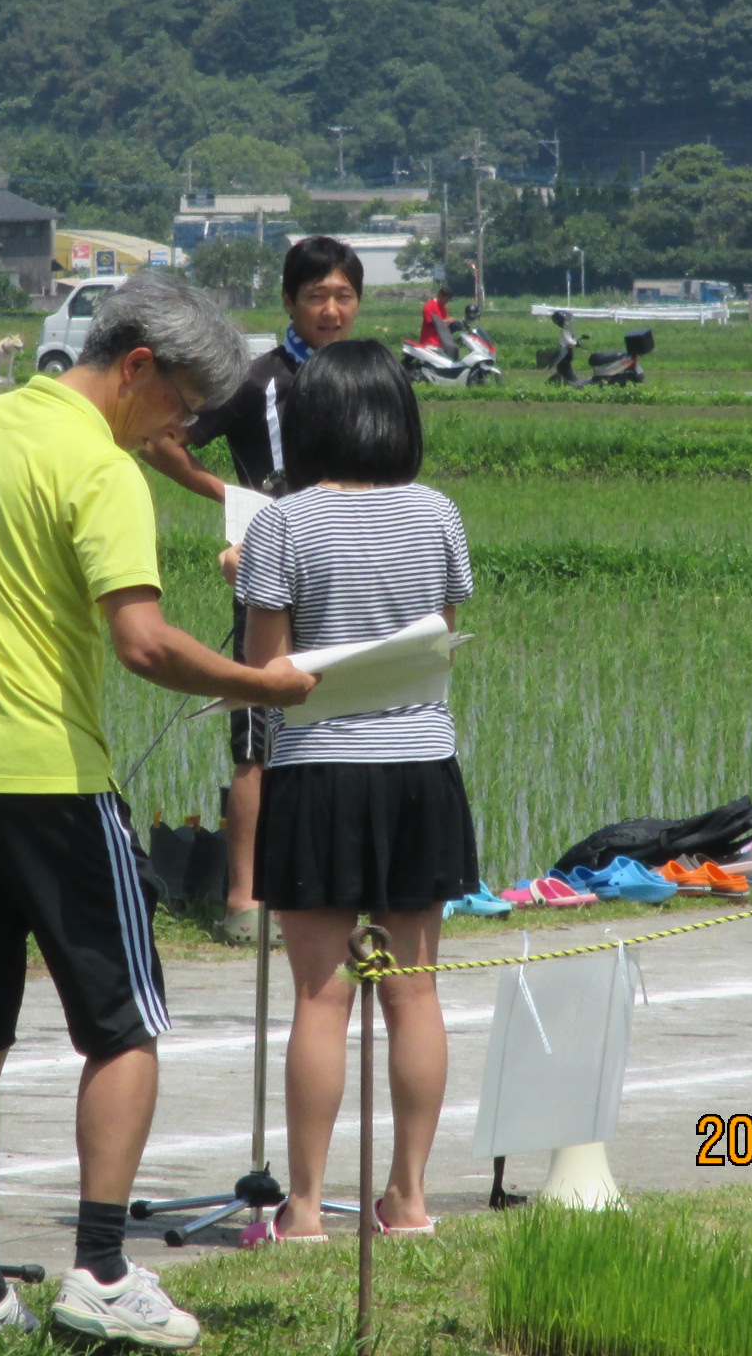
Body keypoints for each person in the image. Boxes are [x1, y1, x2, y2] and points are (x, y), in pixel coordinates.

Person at [0, 271, 316, 1347]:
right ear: (134, 368)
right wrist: (261, 684)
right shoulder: (100, 468)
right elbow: (141, 642)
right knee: (124, 1027)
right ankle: (103, 1268)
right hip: (47, 779)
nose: (178, 432)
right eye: (177, 407)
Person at [231, 338, 475, 1244]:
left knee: (321, 998)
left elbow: (268, 669)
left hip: (318, 771)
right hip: (419, 768)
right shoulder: (439, 513)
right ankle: (408, 1201)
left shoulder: (281, 525)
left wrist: (246, 582)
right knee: (414, 991)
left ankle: (301, 1209)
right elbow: (441, 634)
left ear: (307, 423)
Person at [140, 237, 364, 944]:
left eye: (343, 296)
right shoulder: (255, 379)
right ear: (291, 304)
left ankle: (337, 888)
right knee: (256, 736)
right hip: (267, 566)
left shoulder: (365, 376)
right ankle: (244, 901)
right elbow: (161, 442)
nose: (331, 310)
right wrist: (232, 496)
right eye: (316, 297)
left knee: (348, 728)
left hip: (348, 570)